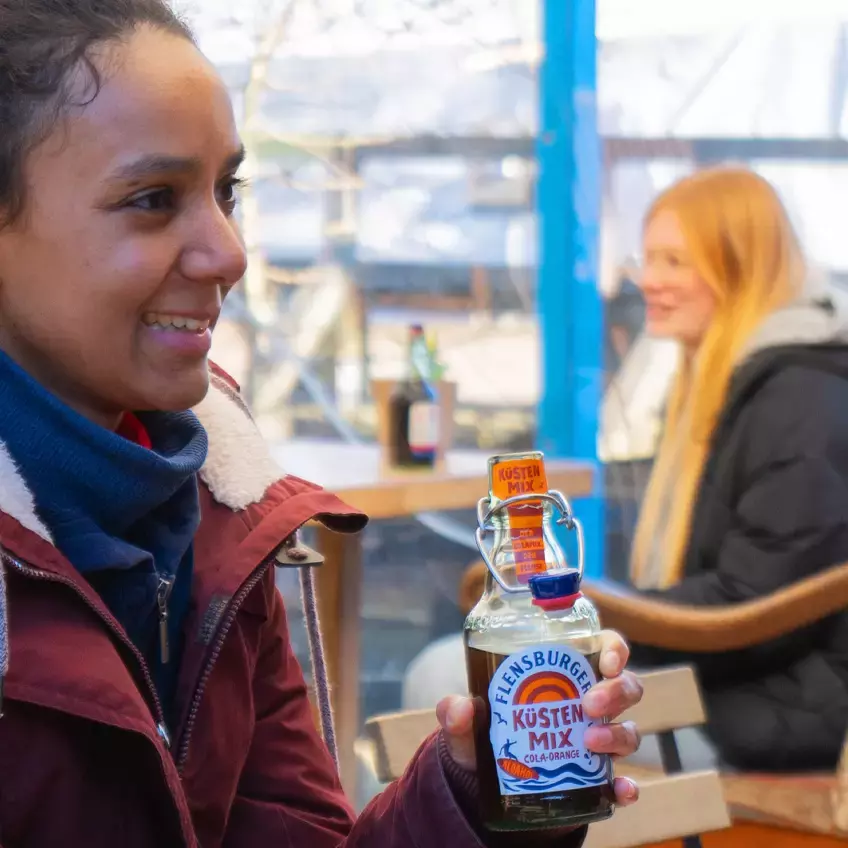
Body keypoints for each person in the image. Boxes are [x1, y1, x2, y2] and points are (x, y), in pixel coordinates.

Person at [0, 2, 644, 846]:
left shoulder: (214, 511)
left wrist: (477, 795)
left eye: (225, 190)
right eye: (153, 199)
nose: (229, 250)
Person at [625, 167, 848, 773]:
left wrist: (595, 632)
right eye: (647, 259)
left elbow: (755, 608)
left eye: (675, 261)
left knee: (465, 690)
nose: (649, 280)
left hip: (793, 716)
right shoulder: (753, 381)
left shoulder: (799, 399)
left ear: (742, 270)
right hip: (748, 691)